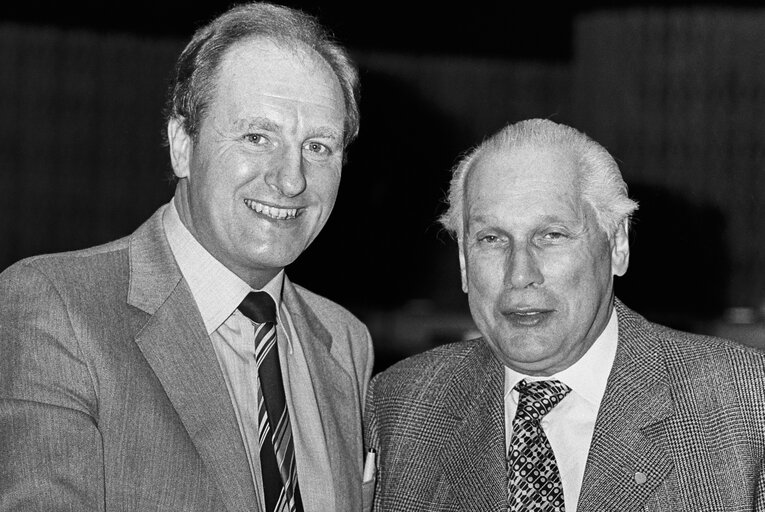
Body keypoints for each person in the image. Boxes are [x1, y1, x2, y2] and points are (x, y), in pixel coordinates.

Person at [0, 3, 375, 511]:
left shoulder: (345, 342)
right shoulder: (56, 308)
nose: (291, 179)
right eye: (256, 137)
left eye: (318, 147)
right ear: (182, 145)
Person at [364, 118, 765, 511]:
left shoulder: (744, 404)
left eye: (551, 236)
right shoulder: (400, 406)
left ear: (617, 245)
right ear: (464, 262)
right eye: (491, 239)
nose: (520, 275)